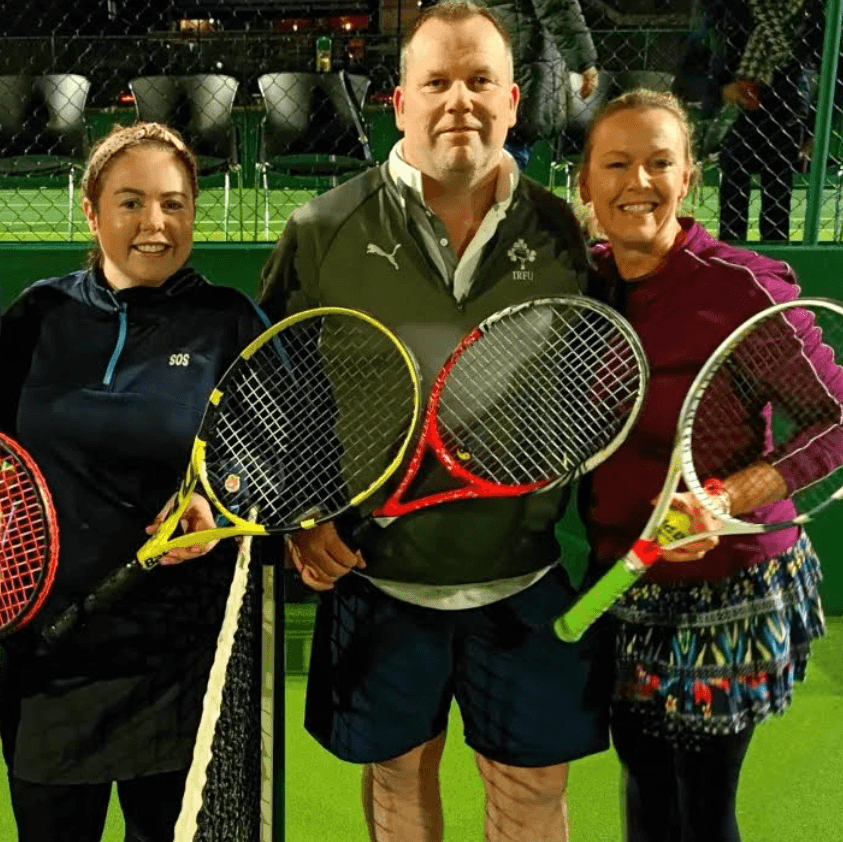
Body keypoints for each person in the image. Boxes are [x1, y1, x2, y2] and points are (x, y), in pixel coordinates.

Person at [259, 3, 611, 840]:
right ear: (400, 104)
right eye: (437, 81)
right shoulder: (320, 230)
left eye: (480, 80)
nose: (460, 100)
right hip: (379, 578)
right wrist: (302, 518)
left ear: (514, 101)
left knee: (530, 793)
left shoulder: (565, 235)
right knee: (398, 783)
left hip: (526, 575)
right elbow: (273, 394)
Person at [0, 122, 268, 842]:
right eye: (130, 202)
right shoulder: (38, 315)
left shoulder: (229, 322)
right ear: (91, 212)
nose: (155, 224)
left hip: (182, 660)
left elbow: (280, 458)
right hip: (51, 654)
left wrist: (219, 503)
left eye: (174, 204)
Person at [575, 88, 843, 841]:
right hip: (624, 575)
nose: (638, 182)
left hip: (729, 585)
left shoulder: (739, 289)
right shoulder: (581, 284)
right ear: (585, 183)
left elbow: (841, 419)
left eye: (659, 163)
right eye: (617, 164)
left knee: (700, 802)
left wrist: (726, 497)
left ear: (689, 178)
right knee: (643, 780)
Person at [702, 0, 823, 242]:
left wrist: (816, 128)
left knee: (777, 207)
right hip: (737, 114)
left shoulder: (809, 13)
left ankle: (774, 259)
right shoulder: (730, 8)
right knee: (732, 202)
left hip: (786, 118)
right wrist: (722, 89)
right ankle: (730, 256)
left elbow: (836, 71)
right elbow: (697, 61)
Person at [482, 0, 600, 169]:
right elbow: (557, 6)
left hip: (480, 60)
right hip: (522, 61)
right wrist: (584, 61)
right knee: (512, 148)